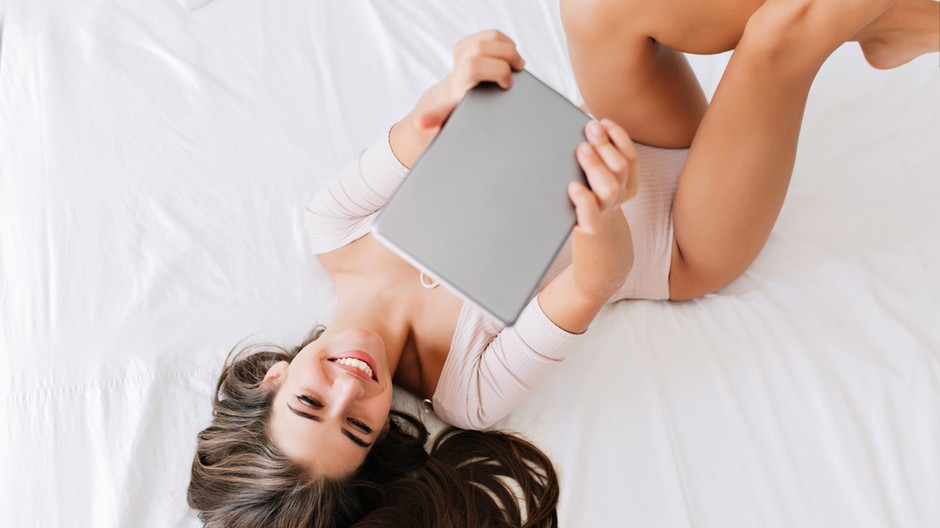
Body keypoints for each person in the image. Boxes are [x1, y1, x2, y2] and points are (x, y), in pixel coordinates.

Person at [188, 0, 938, 525]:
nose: (350, 392)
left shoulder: (333, 229)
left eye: (312, 403)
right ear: (383, 438)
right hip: (684, 237)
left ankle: (896, 25)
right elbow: (594, 281)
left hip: (626, 134)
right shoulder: (467, 392)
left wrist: (459, 83)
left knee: (592, 6)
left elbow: (421, 130)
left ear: (274, 378)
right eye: (357, 430)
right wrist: (603, 213)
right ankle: (897, 22)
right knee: (782, 31)